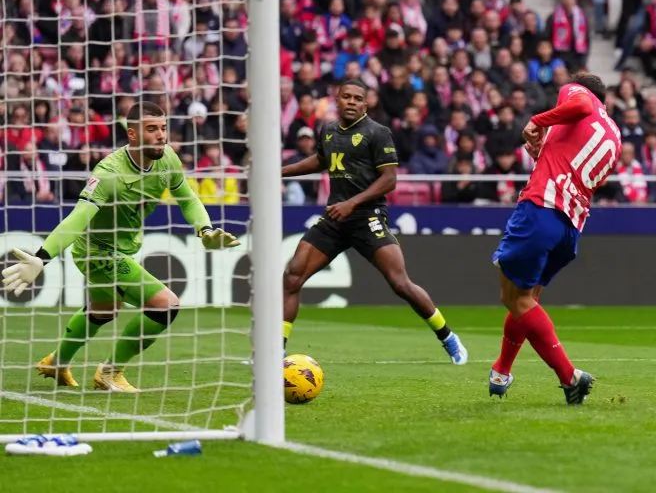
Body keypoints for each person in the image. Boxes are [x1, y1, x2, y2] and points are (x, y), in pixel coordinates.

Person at [1, 102, 240, 392]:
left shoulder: (167, 160)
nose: (161, 135)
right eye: (152, 129)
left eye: (163, 128)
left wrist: (205, 229)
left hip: (121, 249)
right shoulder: (109, 173)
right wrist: (42, 257)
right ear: (133, 134)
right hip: (97, 251)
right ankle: (110, 372)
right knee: (166, 305)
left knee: (104, 310)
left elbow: (187, 198)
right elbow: (77, 219)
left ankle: (57, 362)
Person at [279, 79, 467, 364]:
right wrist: (280, 171)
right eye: (347, 97)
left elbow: (390, 179)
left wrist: (352, 203)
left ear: (366, 104)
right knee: (292, 276)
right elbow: (321, 160)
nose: (352, 102)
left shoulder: (378, 133)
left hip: (368, 217)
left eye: (358, 98)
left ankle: (448, 337)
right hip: (334, 219)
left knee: (400, 283)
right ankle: (276, 352)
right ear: (337, 99)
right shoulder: (328, 130)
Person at [489, 73, 621, 404]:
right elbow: (581, 172)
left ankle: (570, 376)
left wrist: (537, 120)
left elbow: (576, 103)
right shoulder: (614, 135)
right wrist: (542, 153)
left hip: (541, 209)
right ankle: (501, 372)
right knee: (527, 298)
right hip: (570, 225)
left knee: (513, 297)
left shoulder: (578, 93)